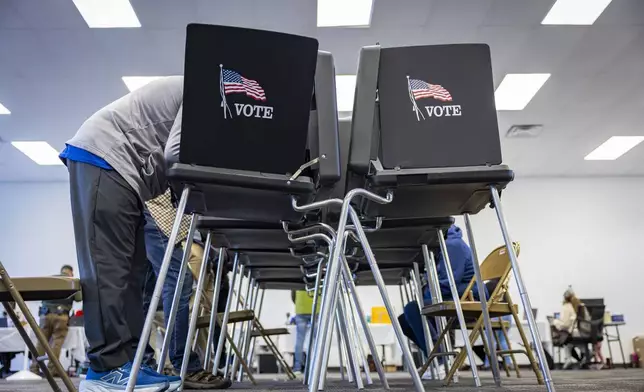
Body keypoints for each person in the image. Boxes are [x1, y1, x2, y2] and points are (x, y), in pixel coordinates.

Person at [61, 76, 186, 392]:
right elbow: (177, 153)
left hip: (128, 174)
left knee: (133, 274)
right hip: (105, 156)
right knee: (109, 270)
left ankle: (128, 364)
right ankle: (105, 369)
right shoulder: (209, 92)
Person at [141, 189, 230, 389]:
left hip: (155, 204)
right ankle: (184, 365)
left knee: (147, 288)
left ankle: (147, 363)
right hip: (157, 205)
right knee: (178, 278)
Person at [397, 225, 485, 380]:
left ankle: (442, 360)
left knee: (413, 309)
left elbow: (448, 281)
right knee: (404, 320)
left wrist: (426, 296)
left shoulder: (452, 245)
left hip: (468, 298)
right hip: (456, 295)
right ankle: (437, 358)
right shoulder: (444, 245)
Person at [30, 265, 81, 377]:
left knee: (41, 343)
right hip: (61, 316)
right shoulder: (71, 280)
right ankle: (52, 370)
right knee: (56, 344)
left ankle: (34, 369)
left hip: (45, 315)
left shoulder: (51, 280)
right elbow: (79, 298)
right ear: (71, 273)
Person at [552, 286, 590, 369]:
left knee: (566, 340)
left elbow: (565, 324)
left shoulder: (566, 307)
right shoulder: (581, 305)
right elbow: (588, 319)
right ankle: (585, 354)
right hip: (586, 332)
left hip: (574, 332)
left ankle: (569, 358)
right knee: (571, 343)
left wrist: (555, 322)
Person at [290, 290, 320, 374]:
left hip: (301, 308)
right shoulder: (320, 276)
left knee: (300, 340)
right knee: (317, 340)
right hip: (316, 307)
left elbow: (293, 295)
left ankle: (297, 368)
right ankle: (317, 367)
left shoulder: (297, 276)